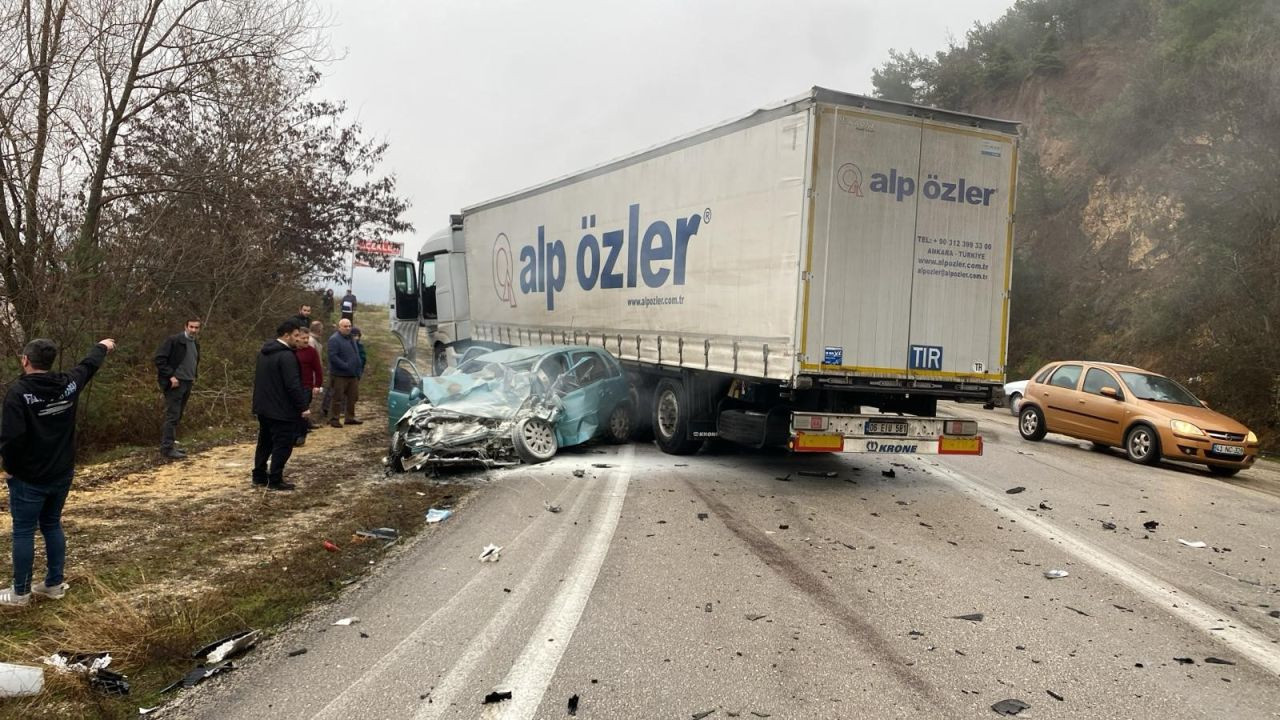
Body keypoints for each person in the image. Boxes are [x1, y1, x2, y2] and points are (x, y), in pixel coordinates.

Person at [1, 337, 116, 606]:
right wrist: (102, 346)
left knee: (23, 531)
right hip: (61, 471)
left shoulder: (18, 393)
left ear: (25, 360)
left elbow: (11, 438)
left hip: (29, 477)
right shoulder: (68, 383)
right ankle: (53, 584)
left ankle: (20, 592)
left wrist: (9, 468)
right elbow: (89, 365)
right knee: (51, 524)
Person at [252, 320, 310, 490]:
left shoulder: (264, 352)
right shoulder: (286, 356)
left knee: (264, 442)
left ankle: (259, 476)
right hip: (281, 409)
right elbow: (293, 385)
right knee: (283, 444)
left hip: (263, 407)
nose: (298, 339)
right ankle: (275, 479)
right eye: (296, 335)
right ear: (286, 335)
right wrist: (303, 407)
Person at [154, 318, 201, 459]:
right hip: (175, 383)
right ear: (185, 326)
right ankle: (167, 449)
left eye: (196, 327)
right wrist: (171, 376)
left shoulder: (195, 343)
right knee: (173, 415)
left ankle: (170, 446)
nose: (193, 330)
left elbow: (194, 361)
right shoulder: (174, 340)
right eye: (191, 327)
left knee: (178, 414)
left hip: (187, 382)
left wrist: (194, 376)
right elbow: (159, 359)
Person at [326, 318, 362, 427]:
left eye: (349, 326)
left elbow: (356, 353)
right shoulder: (334, 339)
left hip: (353, 374)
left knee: (353, 397)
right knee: (337, 397)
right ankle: (334, 419)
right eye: (345, 326)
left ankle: (350, 417)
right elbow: (333, 357)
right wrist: (345, 366)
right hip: (339, 375)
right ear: (339, 327)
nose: (348, 328)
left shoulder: (351, 338)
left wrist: (357, 366)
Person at [294, 325, 323, 446]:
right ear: (297, 339)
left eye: (307, 338)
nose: (306, 340)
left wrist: (317, 385)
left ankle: (301, 435)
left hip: (306, 386)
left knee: (303, 410)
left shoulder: (311, 351)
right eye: (303, 338)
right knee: (293, 411)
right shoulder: (291, 351)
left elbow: (318, 369)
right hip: (293, 386)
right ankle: (292, 434)